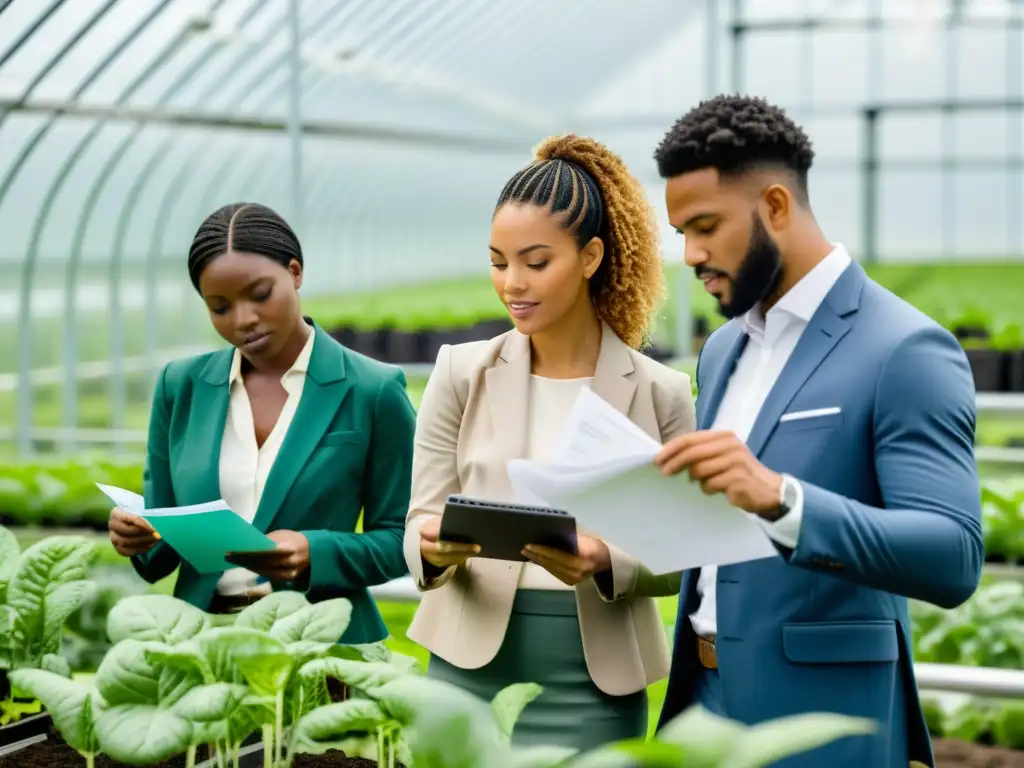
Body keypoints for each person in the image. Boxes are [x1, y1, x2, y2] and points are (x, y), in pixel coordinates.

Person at [651, 95, 984, 768]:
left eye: (706, 226)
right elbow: (724, 535)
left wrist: (782, 499)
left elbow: (953, 555)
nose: (689, 253)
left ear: (775, 206)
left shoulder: (906, 349)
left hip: (824, 721)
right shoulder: (722, 350)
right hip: (700, 705)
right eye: (681, 231)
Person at [403, 134, 696, 751]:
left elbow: (682, 554)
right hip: (468, 664)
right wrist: (432, 548)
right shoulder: (459, 373)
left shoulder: (660, 392)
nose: (512, 283)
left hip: (595, 679)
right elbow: (421, 518)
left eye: (536, 263)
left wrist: (603, 560)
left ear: (590, 257)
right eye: (497, 261)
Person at [107, 202, 415, 644]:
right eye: (219, 307)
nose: (242, 319)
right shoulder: (182, 386)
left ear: (295, 272)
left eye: (259, 294)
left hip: (323, 645)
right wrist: (139, 534)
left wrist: (318, 552)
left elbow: (403, 540)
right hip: (199, 644)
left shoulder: (372, 389)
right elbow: (159, 551)